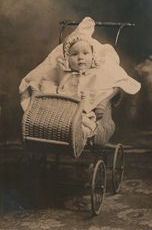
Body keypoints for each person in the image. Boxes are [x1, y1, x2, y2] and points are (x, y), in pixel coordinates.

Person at [19, 17, 141, 145]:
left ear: (92, 57)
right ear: (67, 59)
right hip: (63, 111)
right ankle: (58, 130)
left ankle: (80, 133)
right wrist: (37, 88)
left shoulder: (97, 73)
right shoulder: (62, 71)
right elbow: (46, 80)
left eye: (85, 53)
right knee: (50, 115)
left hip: (85, 111)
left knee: (85, 122)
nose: (80, 58)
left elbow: (114, 84)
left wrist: (102, 101)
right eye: (75, 54)